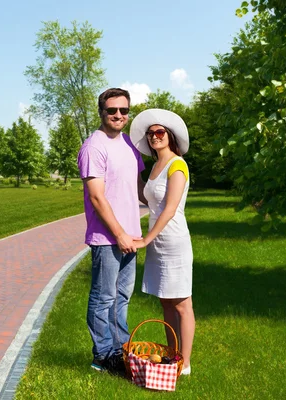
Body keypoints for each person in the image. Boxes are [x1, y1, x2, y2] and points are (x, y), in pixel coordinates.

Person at [77, 88, 148, 374]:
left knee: (122, 296)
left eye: (124, 110)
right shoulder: (94, 147)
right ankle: (103, 355)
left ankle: (121, 349)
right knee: (103, 297)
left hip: (131, 234)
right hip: (108, 237)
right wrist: (119, 233)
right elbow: (97, 197)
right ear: (101, 112)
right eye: (112, 110)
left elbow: (140, 186)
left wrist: (166, 206)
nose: (119, 115)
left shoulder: (130, 144)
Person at [129, 108, 195, 376]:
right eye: (151, 133)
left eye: (159, 132)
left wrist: (146, 239)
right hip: (159, 241)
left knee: (182, 302)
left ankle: (185, 364)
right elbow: (150, 200)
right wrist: (132, 174)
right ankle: (172, 355)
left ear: (169, 136)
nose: (154, 136)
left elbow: (169, 209)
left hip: (173, 240)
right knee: (166, 301)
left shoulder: (177, 164)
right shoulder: (156, 166)